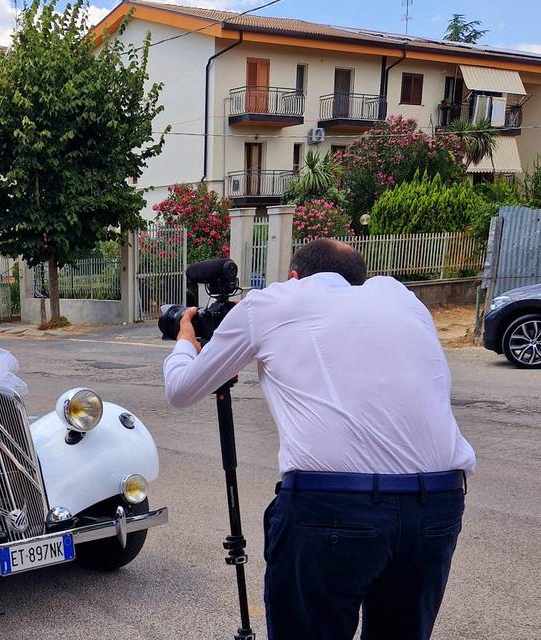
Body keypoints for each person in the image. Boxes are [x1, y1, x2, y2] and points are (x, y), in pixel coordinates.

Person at [163, 239, 475, 640]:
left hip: (332, 507)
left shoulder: (270, 304)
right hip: (438, 503)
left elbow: (181, 390)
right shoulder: (403, 299)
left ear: (294, 277)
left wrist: (186, 340)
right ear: (357, 279)